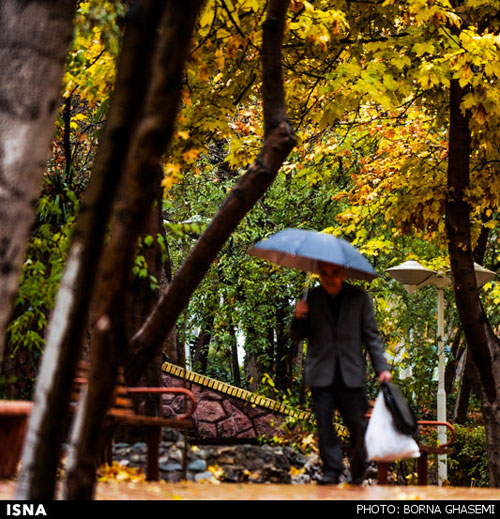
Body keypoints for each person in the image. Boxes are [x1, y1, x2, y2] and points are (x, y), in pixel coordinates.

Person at [290, 261, 392, 485]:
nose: (329, 277)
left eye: (334, 273)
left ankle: (358, 469)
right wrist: (298, 317)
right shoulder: (312, 298)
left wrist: (382, 369)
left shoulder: (359, 298)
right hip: (321, 375)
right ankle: (332, 470)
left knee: (358, 427)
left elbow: (371, 336)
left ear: (343, 273)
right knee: (324, 424)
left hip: (351, 375)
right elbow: (297, 336)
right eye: (324, 273)